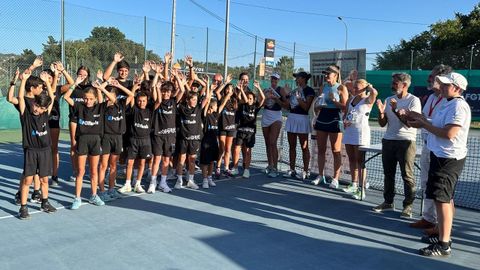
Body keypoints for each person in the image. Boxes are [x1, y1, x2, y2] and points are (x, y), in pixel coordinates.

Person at [407, 72, 470, 257]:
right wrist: (421, 119)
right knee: (444, 199)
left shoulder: (459, 106)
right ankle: (442, 234)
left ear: (457, 88)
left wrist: (424, 125)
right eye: (441, 84)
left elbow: (449, 133)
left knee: (442, 200)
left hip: (448, 159)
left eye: (446, 85)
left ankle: (444, 245)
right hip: (440, 156)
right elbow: (437, 123)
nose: (441, 87)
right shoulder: (447, 103)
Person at [409, 64, 452, 231]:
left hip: (442, 150)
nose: (428, 79)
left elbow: (439, 126)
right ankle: (428, 218)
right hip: (428, 145)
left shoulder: (450, 101)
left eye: (432, 77)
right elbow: (425, 119)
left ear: (442, 79)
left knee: (442, 189)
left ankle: (442, 226)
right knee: (426, 183)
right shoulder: (432, 98)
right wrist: (410, 116)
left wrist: (422, 122)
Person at [373, 73, 421, 219]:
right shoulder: (388, 100)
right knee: (388, 174)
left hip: (406, 142)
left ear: (404, 85)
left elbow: (409, 124)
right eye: (392, 83)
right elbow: (382, 124)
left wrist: (395, 110)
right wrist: (381, 113)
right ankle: (388, 202)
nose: (392, 85)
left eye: (395, 83)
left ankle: (408, 206)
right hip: (388, 140)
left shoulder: (414, 101)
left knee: (407, 175)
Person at [64, 80, 114, 209]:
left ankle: (93, 195)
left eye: (91, 99)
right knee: (80, 171)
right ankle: (77, 198)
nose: (88, 101)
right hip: (82, 142)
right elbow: (66, 97)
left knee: (93, 171)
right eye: (86, 99)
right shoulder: (79, 107)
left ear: (95, 99)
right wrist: (75, 83)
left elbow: (112, 99)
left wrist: (101, 88)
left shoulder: (100, 107)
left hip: (96, 142)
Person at [16, 70, 57, 219]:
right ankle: (23, 207)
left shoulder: (45, 114)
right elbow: (20, 97)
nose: (36, 109)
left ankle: (45, 202)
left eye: (40, 108)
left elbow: (51, 97)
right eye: (35, 105)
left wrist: (47, 81)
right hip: (31, 150)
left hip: (45, 150)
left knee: (44, 179)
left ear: (45, 109)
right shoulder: (26, 114)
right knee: (28, 180)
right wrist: (23, 80)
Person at [311, 65, 348, 188]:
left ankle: (335, 178)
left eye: (328, 73)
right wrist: (318, 107)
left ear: (335, 75)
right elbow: (317, 105)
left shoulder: (342, 88)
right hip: (323, 117)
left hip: (335, 118)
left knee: (336, 150)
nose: (326, 76)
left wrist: (334, 101)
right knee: (321, 150)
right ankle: (320, 175)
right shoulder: (323, 87)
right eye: (325, 74)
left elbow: (345, 107)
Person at [97, 80, 134, 202]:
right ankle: (102, 191)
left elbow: (131, 95)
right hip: (106, 137)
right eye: (109, 95)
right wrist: (105, 85)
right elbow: (99, 90)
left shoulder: (121, 105)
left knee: (113, 165)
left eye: (112, 94)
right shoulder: (103, 107)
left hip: (118, 138)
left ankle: (111, 189)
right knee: (103, 165)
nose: (110, 97)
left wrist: (118, 85)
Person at [341, 79, 378, 199]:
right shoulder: (351, 99)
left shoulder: (368, 99)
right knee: (351, 160)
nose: (354, 89)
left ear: (364, 88)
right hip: (349, 132)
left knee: (360, 161)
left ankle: (362, 190)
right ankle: (354, 184)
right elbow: (346, 114)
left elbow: (375, 93)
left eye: (357, 88)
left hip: (361, 133)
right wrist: (345, 121)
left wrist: (370, 86)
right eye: (354, 87)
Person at [148, 73, 184, 193]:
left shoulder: (174, 102)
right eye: (164, 91)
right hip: (158, 135)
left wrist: (176, 76)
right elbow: (155, 90)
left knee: (166, 160)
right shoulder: (157, 103)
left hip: (170, 136)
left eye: (168, 92)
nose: (166, 94)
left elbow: (182, 90)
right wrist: (157, 78)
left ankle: (163, 183)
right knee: (157, 159)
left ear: (171, 92)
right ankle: (153, 182)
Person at [118, 81, 155, 194]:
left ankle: (138, 183)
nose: (141, 102)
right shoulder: (134, 109)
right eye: (139, 100)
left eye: (143, 101)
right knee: (130, 163)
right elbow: (131, 96)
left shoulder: (150, 110)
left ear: (147, 101)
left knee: (142, 163)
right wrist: (134, 88)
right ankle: (128, 184)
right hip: (133, 140)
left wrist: (155, 87)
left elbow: (157, 100)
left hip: (145, 141)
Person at [175, 80, 211, 190]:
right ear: (187, 100)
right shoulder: (181, 108)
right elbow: (179, 94)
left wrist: (207, 83)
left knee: (192, 160)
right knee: (181, 159)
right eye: (193, 99)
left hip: (195, 140)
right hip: (184, 139)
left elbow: (207, 97)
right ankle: (179, 180)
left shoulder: (198, 108)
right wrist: (179, 79)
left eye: (196, 99)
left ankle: (190, 180)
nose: (195, 101)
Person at [283, 71, 315, 180]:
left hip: (303, 119)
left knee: (304, 146)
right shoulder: (294, 91)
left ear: (303, 79)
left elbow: (306, 107)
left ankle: (305, 171)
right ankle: (292, 169)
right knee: (292, 146)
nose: (296, 79)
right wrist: (286, 95)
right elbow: (288, 106)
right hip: (292, 118)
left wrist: (298, 98)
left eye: (297, 77)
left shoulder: (309, 91)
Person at [231, 80, 265, 178]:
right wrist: (241, 89)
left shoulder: (255, 107)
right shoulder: (242, 106)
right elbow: (244, 100)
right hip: (241, 131)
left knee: (248, 151)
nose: (249, 100)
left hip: (250, 133)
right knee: (237, 149)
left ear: (253, 100)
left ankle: (246, 170)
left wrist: (258, 88)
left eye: (251, 98)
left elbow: (263, 98)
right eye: (248, 98)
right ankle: (236, 168)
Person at [262, 73, 287, 178]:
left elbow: (286, 104)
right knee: (268, 143)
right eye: (272, 79)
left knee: (273, 142)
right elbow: (261, 103)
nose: (274, 81)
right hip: (266, 115)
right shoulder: (265, 89)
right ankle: (270, 165)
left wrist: (276, 98)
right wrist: (266, 98)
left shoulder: (281, 90)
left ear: (278, 80)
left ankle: (275, 168)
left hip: (276, 116)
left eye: (276, 79)